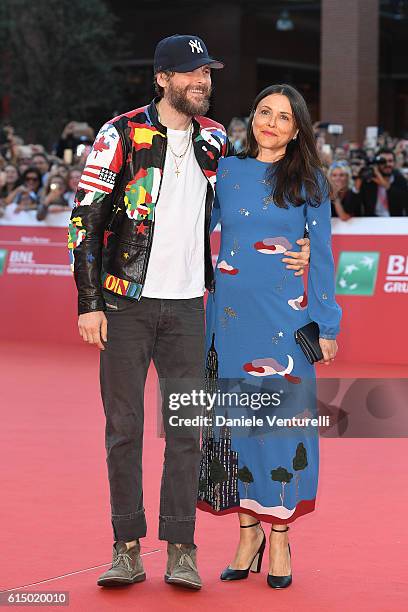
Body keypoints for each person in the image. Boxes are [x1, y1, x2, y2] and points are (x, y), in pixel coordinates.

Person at [68, 35, 311, 591]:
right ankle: (126, 548)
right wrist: (89, 302)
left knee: (186, 432)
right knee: (123, 430)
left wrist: (299, 240)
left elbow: (258, 193)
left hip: (189, 309)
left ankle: (182, 548)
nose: (203, 82)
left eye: (209, 74)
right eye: (192, 73)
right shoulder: (119, 134)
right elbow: (85, 220)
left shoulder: (216, 140)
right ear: (163, 78)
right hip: (123, 303)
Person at [198, 84, 341, 589]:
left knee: (281, 427)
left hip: (285, 320)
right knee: (237, 426)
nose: (272, 123)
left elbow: (320, 257)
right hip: (230, 321)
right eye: (264, 112)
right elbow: (198, 229)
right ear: (251, 117)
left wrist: (327, 323)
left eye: (284, 117)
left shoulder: (310, 181)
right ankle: (247, 532)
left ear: (298, 128)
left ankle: (278, 533)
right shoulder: (228, 173)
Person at [352, 148, 408, 216]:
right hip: (372, 222)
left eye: (390, 161)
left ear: (394, 163)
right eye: (383, 162)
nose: (387, 164)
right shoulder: (369, 180)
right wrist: (358, 179)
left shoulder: (399, 179)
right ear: (377, 163)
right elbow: (354, 206)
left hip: (394, 221)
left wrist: (385, 185)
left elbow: (403, 202)